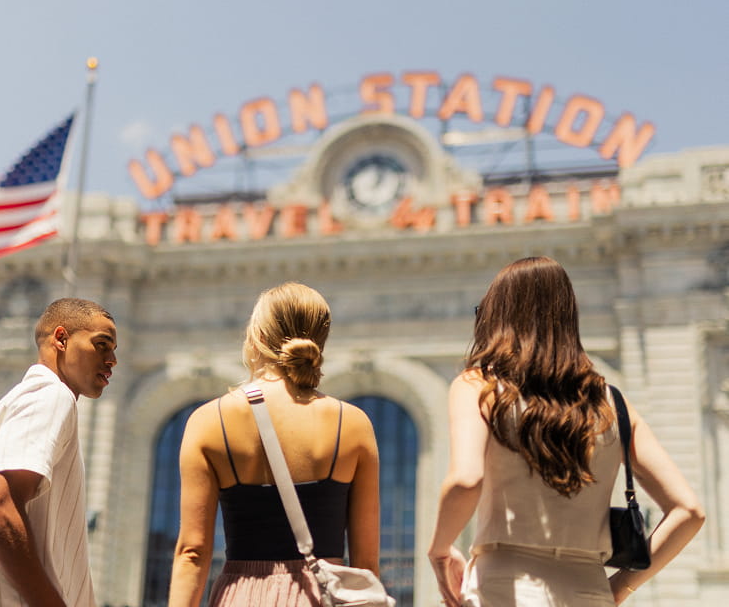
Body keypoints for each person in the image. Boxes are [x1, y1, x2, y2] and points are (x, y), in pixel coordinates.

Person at [428, 256, 705, 606]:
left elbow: (466, 480)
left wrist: (440, 550)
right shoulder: (611, 403)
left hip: (504, 581)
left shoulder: (479, 386)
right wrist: (620, 587)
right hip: (588, 586)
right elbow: (689, 511)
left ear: (496, 318)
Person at [168, 282, 382, 607]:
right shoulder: (351, 423)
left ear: (259, 339)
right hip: (320, 597)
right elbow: (366, 563)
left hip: (240, 596)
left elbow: (192, 553)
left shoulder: (209, 420)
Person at [0, 298, 118, 607]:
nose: (113, 359)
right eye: (102, 345)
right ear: (61, 339)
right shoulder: (52, 396)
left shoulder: (25, 400)